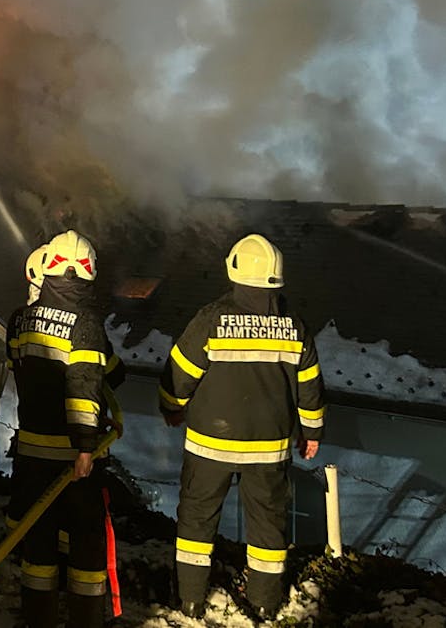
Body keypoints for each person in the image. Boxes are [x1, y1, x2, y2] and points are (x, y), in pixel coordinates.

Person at [159, 233, 324, 621]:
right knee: (269, 527)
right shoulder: (294, 327)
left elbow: (179, 374)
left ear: (233, 270)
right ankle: (266, 603)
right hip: (270, 450)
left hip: (208, 446)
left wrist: (171, 407)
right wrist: (312, 433)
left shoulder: (210, 319)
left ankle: (190, 601)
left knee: (197, 522)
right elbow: (311, 387)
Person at [5, 230, 124, 628]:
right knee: (85, 549)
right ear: (88, 274)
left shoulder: (20, 319)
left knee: (38, 546)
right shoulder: (86, 324)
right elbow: (85, 390)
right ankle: (84, 620)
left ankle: (38, 619)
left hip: (30, 454)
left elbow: (22, 367)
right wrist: (86, 447)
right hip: (74, 460)